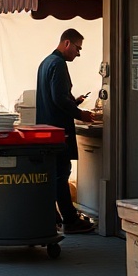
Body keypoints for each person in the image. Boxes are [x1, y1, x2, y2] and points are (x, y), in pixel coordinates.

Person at [36, 28, 95, 234]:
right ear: (67, 43)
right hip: (59, 130)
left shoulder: (46, 63)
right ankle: (70, 219)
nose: (78, 53)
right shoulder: (58, 64)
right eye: (78, 48)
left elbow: (55, 96)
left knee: (54, 175)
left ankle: (53, 215)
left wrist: (74, 100)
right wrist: (81, 114)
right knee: (62, 174)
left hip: (47, 128)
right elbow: (58, 99)